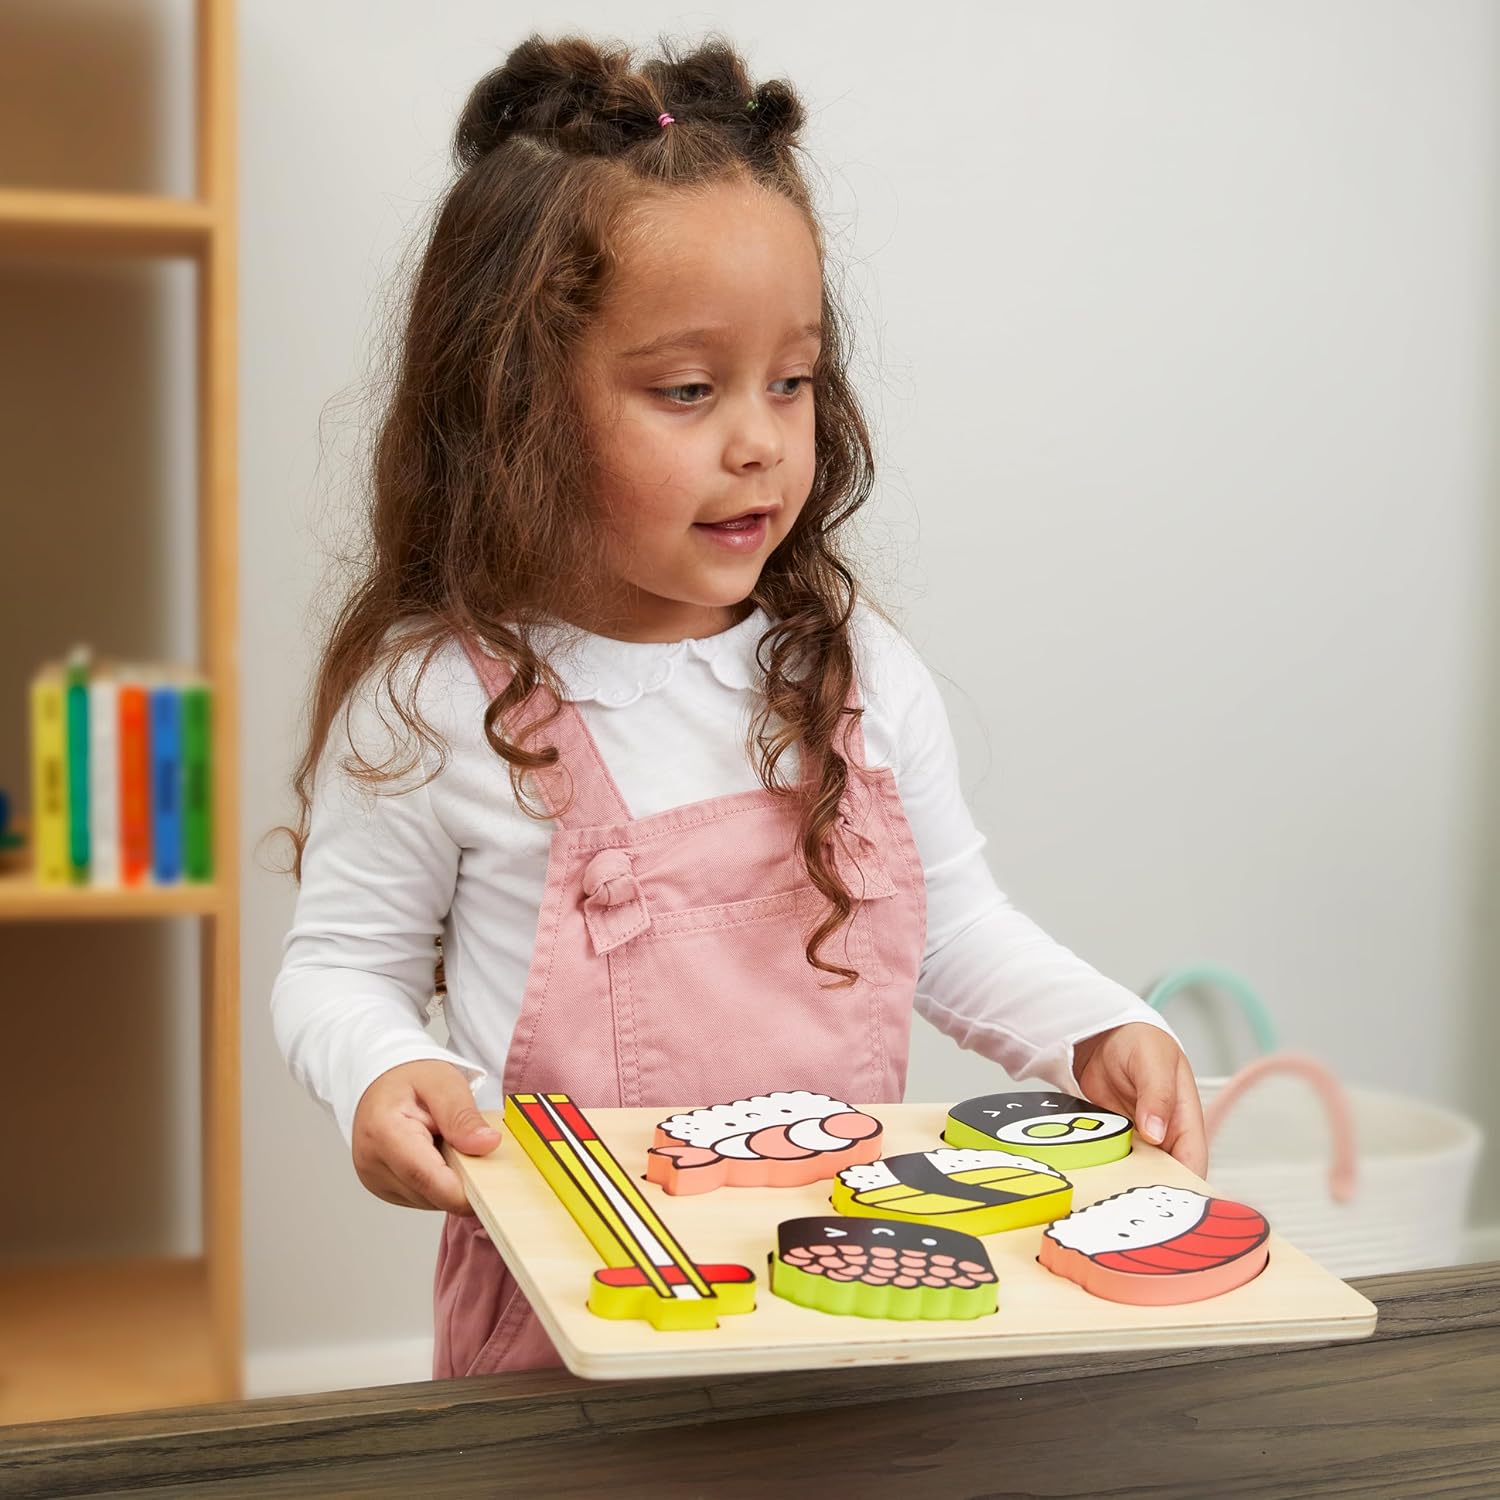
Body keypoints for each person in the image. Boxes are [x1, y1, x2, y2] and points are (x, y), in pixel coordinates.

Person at [270, 30, 1208, 1380]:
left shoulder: (851, 668)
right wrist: (373, 1070)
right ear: (514, 407)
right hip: (576, 1316)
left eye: (792, 380)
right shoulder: (432, 704)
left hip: (844, 1293)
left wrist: (1100, 1024)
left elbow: (954, 926)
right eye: (689, 390)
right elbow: (340, 968)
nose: (760, 438)